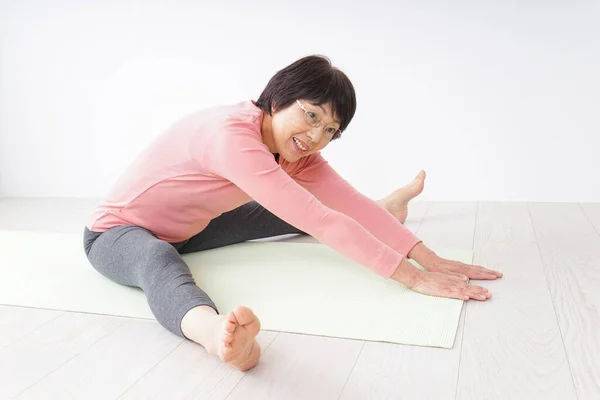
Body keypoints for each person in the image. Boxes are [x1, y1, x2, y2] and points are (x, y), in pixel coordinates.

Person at [83, 55, 502, 371]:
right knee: (159, 260)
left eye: (330, 131)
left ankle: (387, 209)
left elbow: (346, 204)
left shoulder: (290, 151)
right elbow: (321, 221)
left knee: (296, 208)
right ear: (279, 96)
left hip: (192, 229)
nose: (315, 136)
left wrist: (427, 256)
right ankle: (212, 334)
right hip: (118, 233)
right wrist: (412, 277)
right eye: (311, 115)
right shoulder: (231, 136)